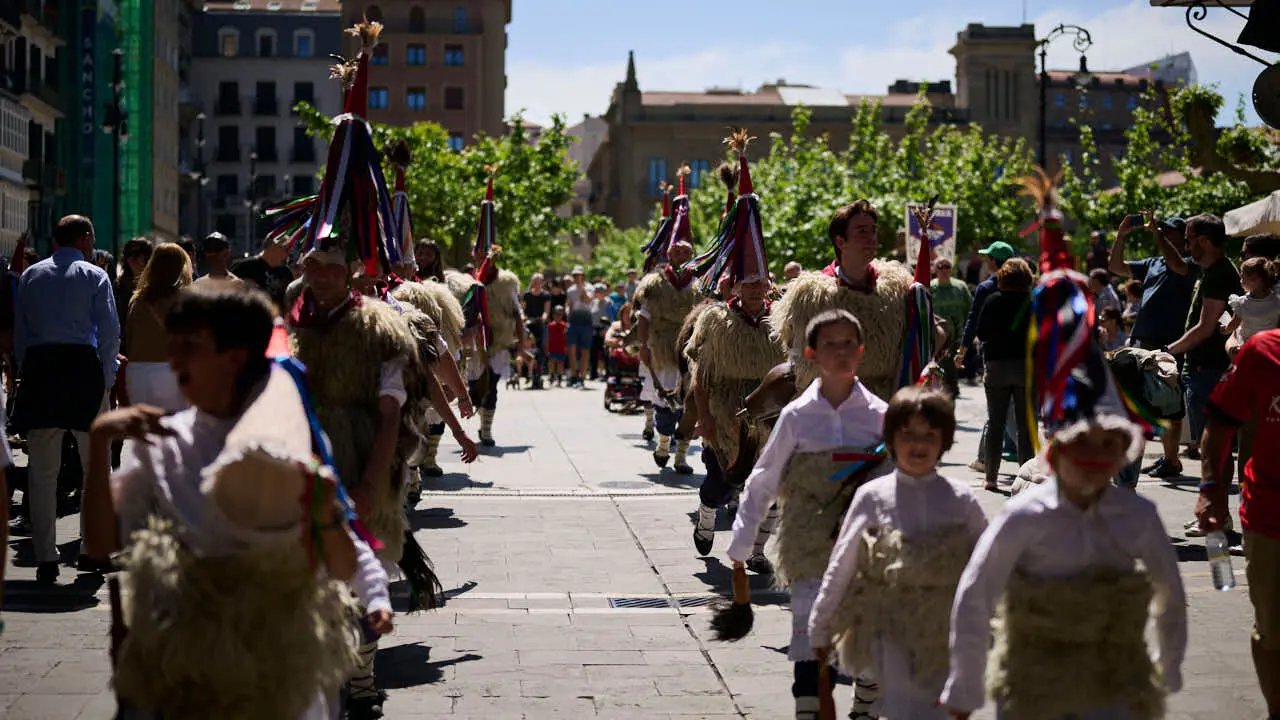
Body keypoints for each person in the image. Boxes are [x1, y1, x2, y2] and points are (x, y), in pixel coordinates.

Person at [943, 170, 1186, 720]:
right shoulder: (1026, 514)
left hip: (1115, 689)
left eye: (1110, 443)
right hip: (1033, 686)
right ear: (1057, 447)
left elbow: (1172, 598)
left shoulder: (1139, 517)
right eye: (1084, 443)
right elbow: (976, 594)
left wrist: (1165, 666)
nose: (1097, 457)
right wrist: (964, 684)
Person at [82, 285, 389, 719]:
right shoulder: (163, 442)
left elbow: (341, 559)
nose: (174, 360)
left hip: (277, 677)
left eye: (190, 347)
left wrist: (374, 595)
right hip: (183, 678)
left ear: (235, 357)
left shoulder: (289, 442)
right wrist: (100, 442)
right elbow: (99, 545)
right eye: (173, 346)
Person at [728, 309, 890, 720]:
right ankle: (808, 708)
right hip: (809, 543)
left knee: (864, 638)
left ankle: (866, 701)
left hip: (866, 548)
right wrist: (742, 544)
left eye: (848, 343)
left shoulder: (881, 416)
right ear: (811, 354)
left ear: (861, 352)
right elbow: (763, 479)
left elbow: (897, 482)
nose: (841, 352)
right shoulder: (797, 417)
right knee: (809, 635)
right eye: (830, 344)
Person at [810, 387, 986, 720]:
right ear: (891, 439)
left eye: (929, 435)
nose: (918, 444)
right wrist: (820, 625)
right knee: (901, 708)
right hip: (886, 630)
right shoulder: (871, 497)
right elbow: (842, 564)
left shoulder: (962, 501)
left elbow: (987, 569)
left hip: (944, 631)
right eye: (908, 434)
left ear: (945, 442)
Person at [687, 141, 786, 567]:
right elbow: (701, 375)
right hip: (725, 411)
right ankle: (707, 516)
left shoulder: (780, 321)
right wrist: (704, 416)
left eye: (758, 283)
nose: (752, 289)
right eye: (745, 283)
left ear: (767, 285)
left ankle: (757, 550)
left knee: (775, 490)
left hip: (768, 414)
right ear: (734, 285)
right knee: (722, 484)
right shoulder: (714, 321)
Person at [13, 214, 120, 584]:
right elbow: (109, 333)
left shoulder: (32, 275)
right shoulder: (95, 276)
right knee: (95, 468)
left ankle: (46, 555)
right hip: (82, 370)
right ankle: (92, 549)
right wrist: (106, 382)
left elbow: (21, 331)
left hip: (42, 368)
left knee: (42, 471)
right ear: (86, 239)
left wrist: (28, 371)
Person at [1197, 328, 1280, 720]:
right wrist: (1211, 490)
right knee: (1273, 631)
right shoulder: (1262, 350)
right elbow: (1218, 426)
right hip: (1269, 518)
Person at [773, 200, 911, 404]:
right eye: (861, 231)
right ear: (840, 242)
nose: (871, 238)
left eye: (873, 231)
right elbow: (797, 354)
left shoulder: (898, 289)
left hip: (883, 405)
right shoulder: (812, 297)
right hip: (827, 406)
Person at [1108, 214, 1198, 479]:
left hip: (1170, 345)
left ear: (1183, 239)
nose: (1164, 234)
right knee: (1139, 402)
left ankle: (1171, 461)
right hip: (1143, 342)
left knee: (1170, 405)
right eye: (1163, 231)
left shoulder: (1190, 263)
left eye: (1170, 232)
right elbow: (1116, 267)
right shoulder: (1152, 263)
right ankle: (1141, 461)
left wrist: (1157, 235)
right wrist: (1121, 235)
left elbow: (1178, 266)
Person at [1165, 213, 1241, 472]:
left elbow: (1206, 327)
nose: (1186, 247)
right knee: (1211, 447)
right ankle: (1216, 502)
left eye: (1189, 240)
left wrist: (1167, 351)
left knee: (1215, 447)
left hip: (1210, 370)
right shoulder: (1208, 271)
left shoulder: (1220, 273)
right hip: (1200, 370)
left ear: (1205, 241)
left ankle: (1217, 505)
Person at [975, 257, 1036, 490]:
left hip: (997, 366)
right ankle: (1025, 477)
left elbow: (981, 332)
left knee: (996, 423)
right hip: (1027, 368)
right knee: (1025, 427)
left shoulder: (992, 301)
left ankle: (990, 478)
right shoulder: (1033, 302)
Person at [124, 243, 194, 412]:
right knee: (173, 430)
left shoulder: (137, 299)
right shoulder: (185, 300)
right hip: (170, 371)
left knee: (142, 432)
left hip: (138, 372)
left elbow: (129, 338)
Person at [930, 257, 972, 397]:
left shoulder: (960, 287)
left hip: (957, 335)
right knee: (938, 366)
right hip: (936, 336)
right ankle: (943, 387)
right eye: (940, 266)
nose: (944, 269)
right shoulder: (929, 288)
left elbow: (969, 309)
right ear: (934, 269)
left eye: (947, 266)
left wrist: (970, 332)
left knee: (952, 365)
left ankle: (951, 388)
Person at [1223, 256, 1280, 354]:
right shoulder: (1277, 300)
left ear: (1254, 280)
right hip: (1270, 346)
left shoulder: (1242, 303)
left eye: (1242, 278)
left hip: (1248, 347)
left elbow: (1233, 324)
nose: (1241, 281)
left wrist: (1224, 329)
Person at [232, 234, 295, 310]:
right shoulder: (244, 267)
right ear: (273, 247)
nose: (288, 254)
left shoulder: (286, 273)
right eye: (286, 249)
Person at [116, 237, 154, 333]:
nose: (131, 260)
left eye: (136, 256)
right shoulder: (120, 284)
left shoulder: (154, 284)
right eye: (129, 256)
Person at [565, 265, 594, 387]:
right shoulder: (570, 290)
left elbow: (588, 301)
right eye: (575, 275)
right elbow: (569, 305)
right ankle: (574, 375)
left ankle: (582, 376)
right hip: (574, 321)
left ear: (583, 276)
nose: (577, 277)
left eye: (579, 275)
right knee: (571, 349)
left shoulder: (590, 287)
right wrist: (568, 320)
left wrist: (581, 288)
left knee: (585, 350)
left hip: (586, 321)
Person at [546, 306, 568, 386]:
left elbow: (566, 338)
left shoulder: (565, 325)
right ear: (553, 315)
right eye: (556, 314)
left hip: (561, 348)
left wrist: (566, 347)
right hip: (552, 348)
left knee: (560, 364)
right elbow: (548, 338)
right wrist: (547, 348)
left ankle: (559, 378)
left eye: (560, 314)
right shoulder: (550, 325)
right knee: (551, 362)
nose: (558, 316)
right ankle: (551, 376)